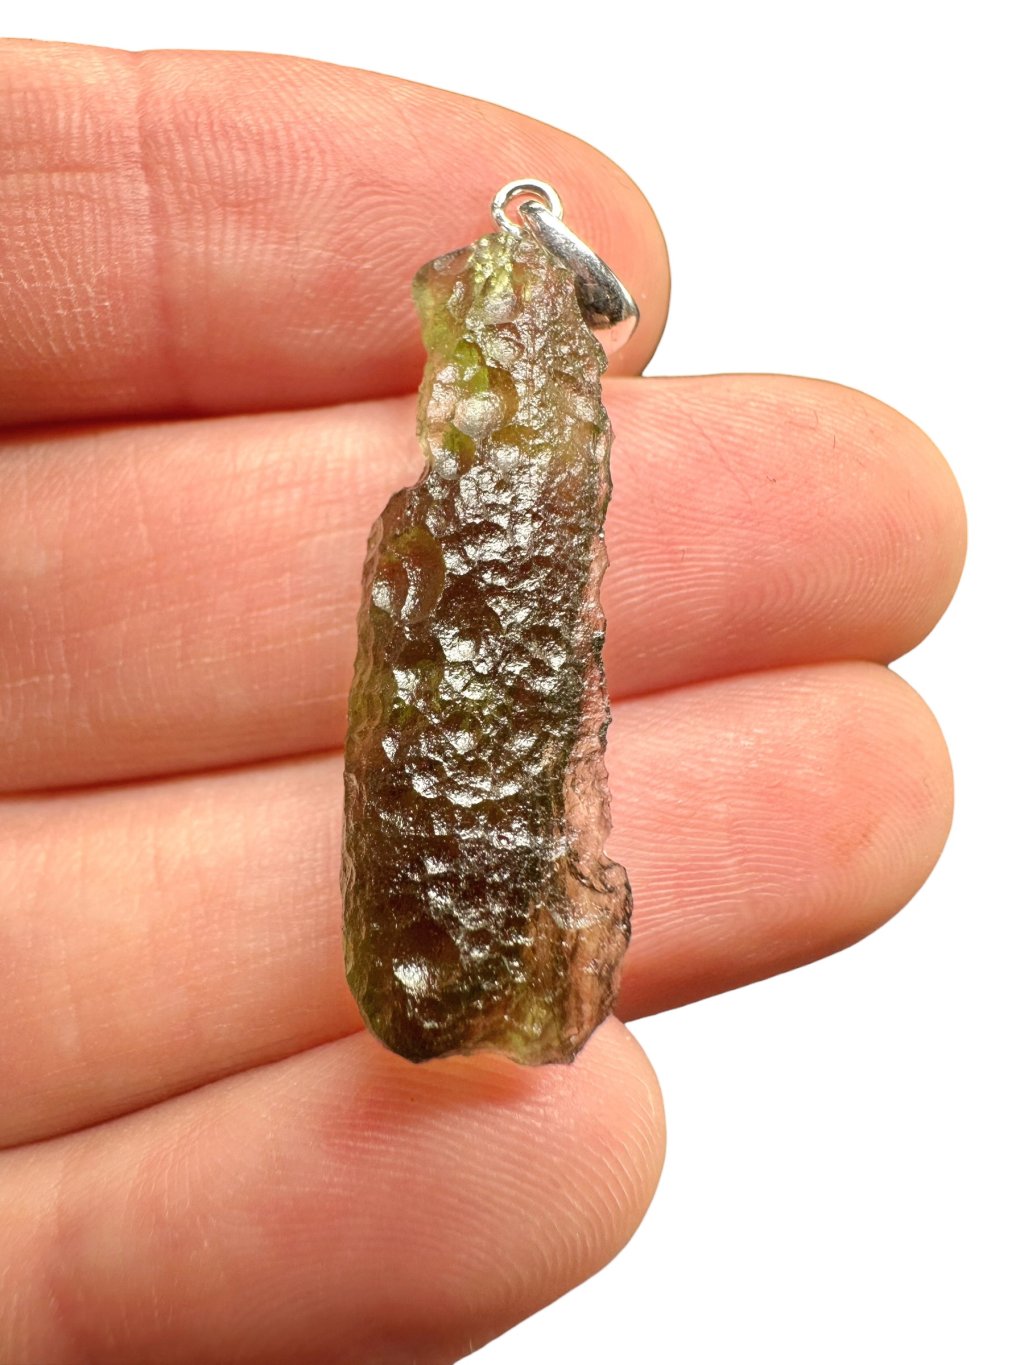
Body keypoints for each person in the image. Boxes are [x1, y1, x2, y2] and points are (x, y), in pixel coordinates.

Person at [0, 39, 966, 1364]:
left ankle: (490, 980)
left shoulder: (512, 469)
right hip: (444, 943)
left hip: (469, 939)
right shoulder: (469, 498)